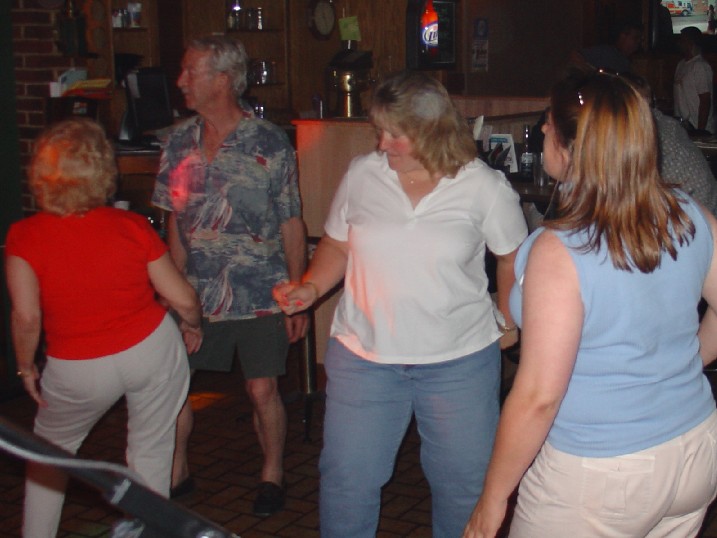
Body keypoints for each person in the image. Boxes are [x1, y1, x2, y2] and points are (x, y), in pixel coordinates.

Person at [274, 70, 528, 538]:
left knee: (463, 489)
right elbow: (338, 244)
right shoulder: (362, 174)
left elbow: (512, 254)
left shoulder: (482, 185)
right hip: (364, 357)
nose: (383, 143)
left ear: (433, 129)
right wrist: (310, 287)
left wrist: (508, 320)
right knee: (347, 483)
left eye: (397, 133)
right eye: (380, 131)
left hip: (459, 363)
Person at [463, 70, 717, 538]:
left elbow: (539, 397)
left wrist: (493, 498)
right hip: (695, 450)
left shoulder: (560, 251)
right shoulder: (690, 214)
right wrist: (684, 363)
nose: (543, 128)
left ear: (572, 147)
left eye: (549, 122)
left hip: (601, 473)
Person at [5, 118, 203, 537]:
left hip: (77, 366)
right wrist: (193, 325)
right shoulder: (130, 226)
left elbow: (26, 317)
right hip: (150, 349)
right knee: (151, 452)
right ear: (102, 171)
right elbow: (183, 298)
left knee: (50, 457)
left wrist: (26, 366)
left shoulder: (24, 236)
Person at [151, 34, 308, 517]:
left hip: (262, 290)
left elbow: (291, 224)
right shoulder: (177, 142)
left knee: (262, 389)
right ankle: (177, 472)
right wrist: (172, 294)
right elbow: (175, 223)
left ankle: (272, 473)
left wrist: (297, 294)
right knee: (177, 386)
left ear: (222, 80)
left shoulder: (269, 142)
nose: (181, 80)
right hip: (197, 294)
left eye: (190, 71)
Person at [674, 26, 715, 135]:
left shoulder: (700, 66)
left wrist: (700, 131)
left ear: (690, 42)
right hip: (684, 128)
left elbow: (705, 100)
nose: (679, 43)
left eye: (682, 40)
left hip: (697, 128)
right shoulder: (681, 65)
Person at [572, 19, 643, 74]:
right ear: (623, 36)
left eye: (639, 40)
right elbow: (575, 55)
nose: (638, 43)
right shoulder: (605, 52)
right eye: (635, 38)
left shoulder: (628, 63)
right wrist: (591, 72)